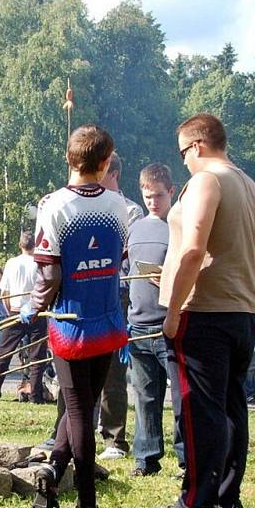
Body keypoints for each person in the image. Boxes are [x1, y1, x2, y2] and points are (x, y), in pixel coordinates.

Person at [151, 113, 255, 508]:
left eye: (184, 152)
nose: (184, 160)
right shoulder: (250, 184)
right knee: (232, 406)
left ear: (198, 145)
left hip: (202, 312)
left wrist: (173, 310)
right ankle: (226, 494)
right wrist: (243, 287)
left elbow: (192, 247)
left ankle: (194, 504)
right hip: (242, 311)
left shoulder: (207, 180)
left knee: (199, 409)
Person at [27, 124, 128, 508]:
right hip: (107, 320)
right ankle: (54, 468)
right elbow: (115, 261)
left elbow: (49, 275)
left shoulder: (53, 205)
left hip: (69, 325)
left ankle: (87, 506)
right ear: (104, 163)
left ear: (68, 159)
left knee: (79, 410)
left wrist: (33, 307)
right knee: (84, 405)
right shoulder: (120, 205)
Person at [124, 163, 183, 476]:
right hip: (138, 324)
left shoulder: (181, 226)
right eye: (148, 196)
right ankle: (145, 459)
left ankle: (186, 459)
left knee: (181, 397)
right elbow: (125, 270)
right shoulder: (135, 229)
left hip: (169, 324)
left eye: (159, 196)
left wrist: (170, 282)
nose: (153, 202)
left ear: (171, 192)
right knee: (146, 397)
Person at [97, 151, 144, 460]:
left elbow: (127, 252)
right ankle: (69, 431)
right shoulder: (87, 203)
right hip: (89, 290)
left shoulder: (131, 211)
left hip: (118, 292)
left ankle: (115, 438)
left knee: (113, 368)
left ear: (110, 172)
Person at [0, 232, 48, 403]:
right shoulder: (40, 262)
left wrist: (9, 310)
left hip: (15, 311)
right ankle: (36, 396)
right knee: (38, 355)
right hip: (37, 311)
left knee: (4, 353)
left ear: (20, 245)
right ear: (35, 245)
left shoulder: (12, 263)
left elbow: (4, 292)